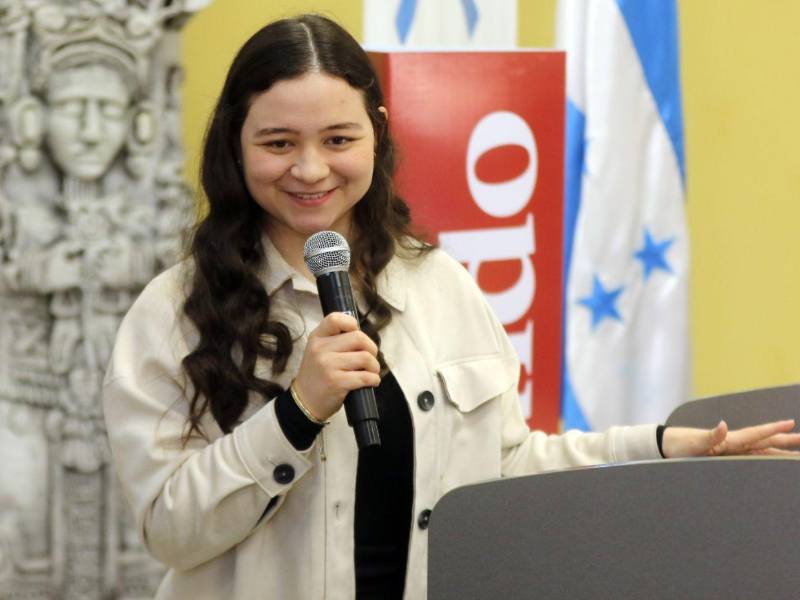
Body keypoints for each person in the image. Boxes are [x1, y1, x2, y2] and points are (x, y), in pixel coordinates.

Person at [102, 14, 800, 600]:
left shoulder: (437, 282)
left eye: (339, 140)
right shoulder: (175, 311)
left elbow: (504, 465)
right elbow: (170, 529)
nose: (311, 169)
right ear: (235, 143)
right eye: (278, 143)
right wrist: (296, 413)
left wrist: (663, 448)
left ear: (377, 131)